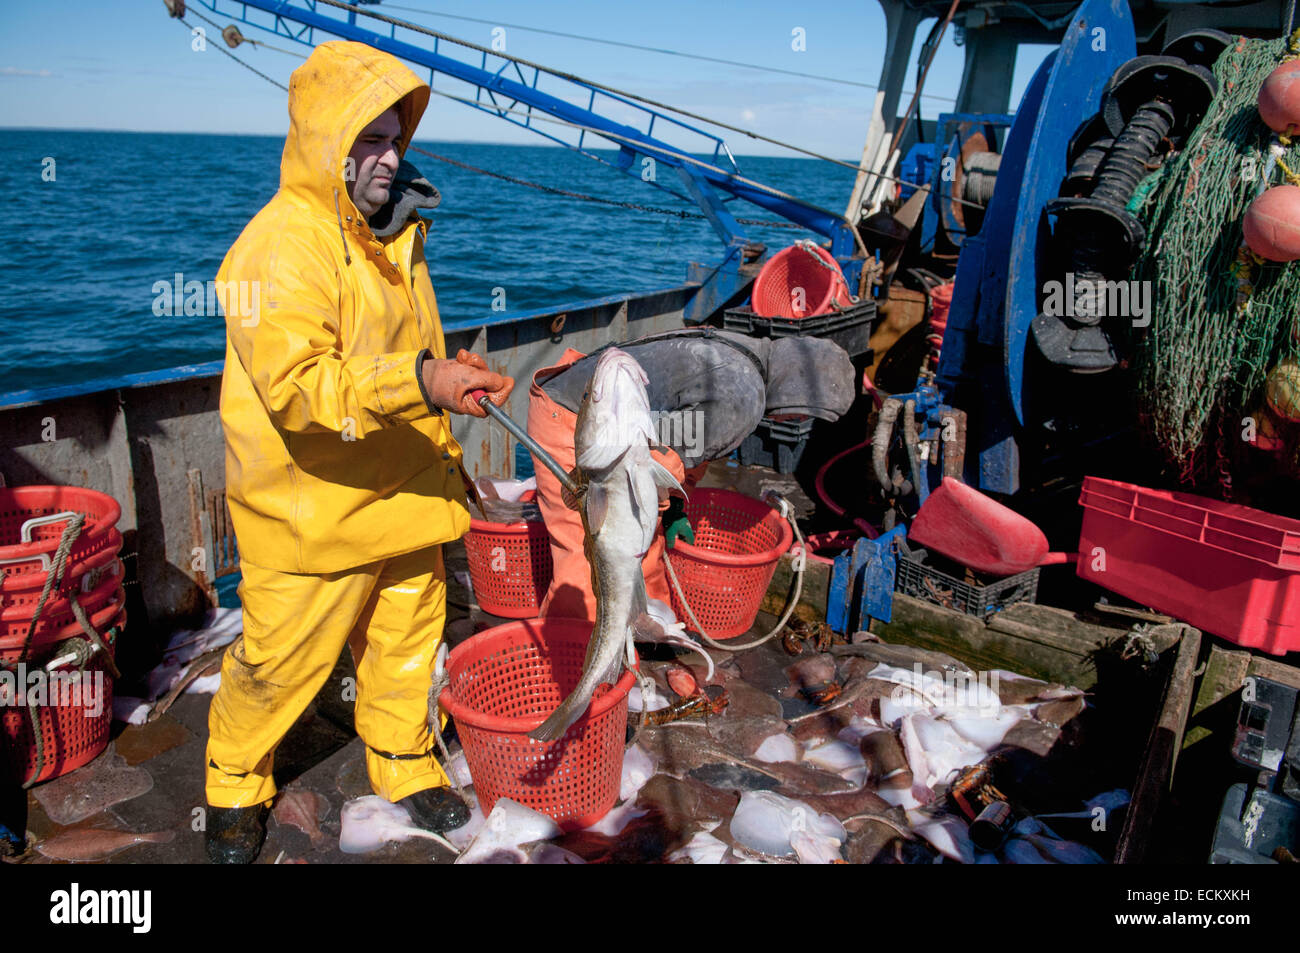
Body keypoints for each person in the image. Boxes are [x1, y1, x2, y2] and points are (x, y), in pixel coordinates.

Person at [205, 41, 514, 864]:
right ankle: (234, 786)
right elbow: (301, 389)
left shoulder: (395, 232)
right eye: (367, 140)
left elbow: (409, 351)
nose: (387, 156)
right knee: (275, 665)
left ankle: (405, 760)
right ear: (325, 145)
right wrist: (423, 378)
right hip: (313, 513)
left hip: (403, 498)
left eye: (393, 138)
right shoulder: (280, 247)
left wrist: (450, 386)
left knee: (409, 644)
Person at [527, 327, 854, 621]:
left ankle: (648, 637)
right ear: (794, 390)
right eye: (804, 413)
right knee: (592, 558)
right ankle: (570, 656)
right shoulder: (742, 400)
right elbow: (658, 466)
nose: (799, 421)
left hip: (621, 422)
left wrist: (675, 509)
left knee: (644, 551)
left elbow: (683, 439)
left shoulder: (746, 350)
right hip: (579, 421)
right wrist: (664, 505)